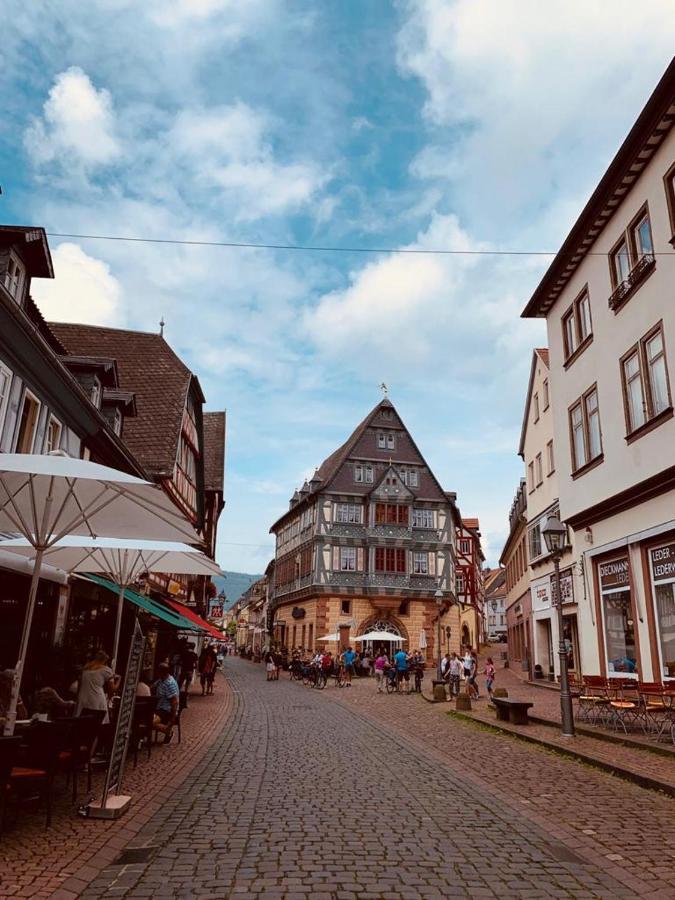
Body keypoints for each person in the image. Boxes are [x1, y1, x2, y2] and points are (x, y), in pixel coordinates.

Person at [76, 650, 119, 723]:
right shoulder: (105, 670)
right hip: (97, 700)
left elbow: (79, 687)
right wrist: (119, 679)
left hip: (83, 699)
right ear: (105, 661)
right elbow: (112, 689)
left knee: (83, 724)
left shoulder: (86, 668)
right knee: (97, 723)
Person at [153, 662, 179, 743]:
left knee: (150, 722)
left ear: (162, 672)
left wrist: (172, 719)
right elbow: (153, 687)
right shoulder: (161, 680)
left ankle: (167, 731)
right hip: (159, 708)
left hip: (165, 711)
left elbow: (174, 702)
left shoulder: (169, 684)